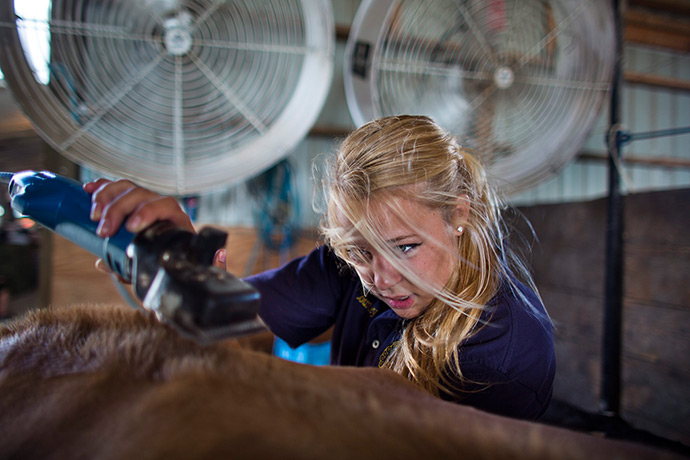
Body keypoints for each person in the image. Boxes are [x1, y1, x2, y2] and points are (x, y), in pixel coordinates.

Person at [86, 115, 555, 420]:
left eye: (406, 248)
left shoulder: (504, 353)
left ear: (458, 214)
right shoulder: (351, 259)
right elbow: (240, 316)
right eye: (359, 253)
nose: (382, 278)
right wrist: (183, 269)